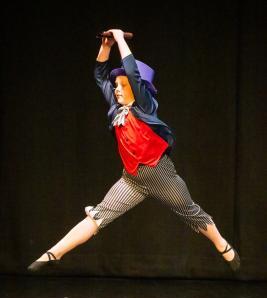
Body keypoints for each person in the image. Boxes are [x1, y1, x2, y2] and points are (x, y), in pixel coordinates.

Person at [28, 29, 240, 272]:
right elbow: (100, 75)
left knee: (190, 211)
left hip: (160, 174)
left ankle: (222, 244)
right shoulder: (116, 109)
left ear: (137, 87)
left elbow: (133, 73)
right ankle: (53, 253)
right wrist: (106, 46)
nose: (116, 88)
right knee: (97, 217)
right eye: (116, 85)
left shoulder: (145, 107)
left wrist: (119, 39)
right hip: (131, 180)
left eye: (122, 85)